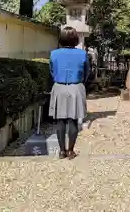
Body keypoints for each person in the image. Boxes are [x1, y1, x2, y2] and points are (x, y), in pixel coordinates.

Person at [49, 26, 89, 159]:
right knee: (73, 120)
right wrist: (81, 81)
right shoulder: (82, 54)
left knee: (60, 120)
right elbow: (86, 72)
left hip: (59, 86)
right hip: (76, 86)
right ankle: (71, 151)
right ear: (76, 39)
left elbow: (51, 70)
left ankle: (61, 151)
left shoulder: (54, 53)